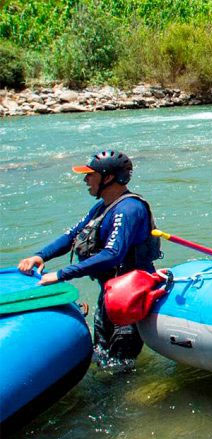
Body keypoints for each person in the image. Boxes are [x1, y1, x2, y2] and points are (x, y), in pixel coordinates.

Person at [17, 150, 160, 368]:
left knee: (119, 366)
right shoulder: (103, 206)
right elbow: (71, 236)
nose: (85, 180)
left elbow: (113, 254)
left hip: (130, 297)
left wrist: (62, 275)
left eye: (90, 174)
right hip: (110, 293)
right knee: (101, 355)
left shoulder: (130, 209)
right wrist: (40, 255)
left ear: (108, 177)